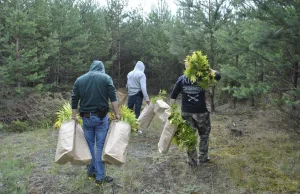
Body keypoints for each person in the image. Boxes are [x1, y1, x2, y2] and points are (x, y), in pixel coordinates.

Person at [71, 60, 120, 185]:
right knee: (100, 146)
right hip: (101, 119)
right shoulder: (106, 78)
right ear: (101, 68)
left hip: (86, 118)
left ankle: (91, 170)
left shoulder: (79, 80)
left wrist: (74, 115)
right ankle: (99, 176)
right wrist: (117, 114)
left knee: (89, 145)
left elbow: (74, 98)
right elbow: (113, 97)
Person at [170, 62, 221, 167]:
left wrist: (172, 111)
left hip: (186, 113)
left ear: (186, 67)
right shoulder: (203, 77)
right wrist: (208, 69)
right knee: (204, 135)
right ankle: (203, 158)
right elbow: (218, 76)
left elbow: (173, 96)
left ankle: (192, 161)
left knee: (189, 137)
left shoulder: (181, 79)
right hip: (201, 113)